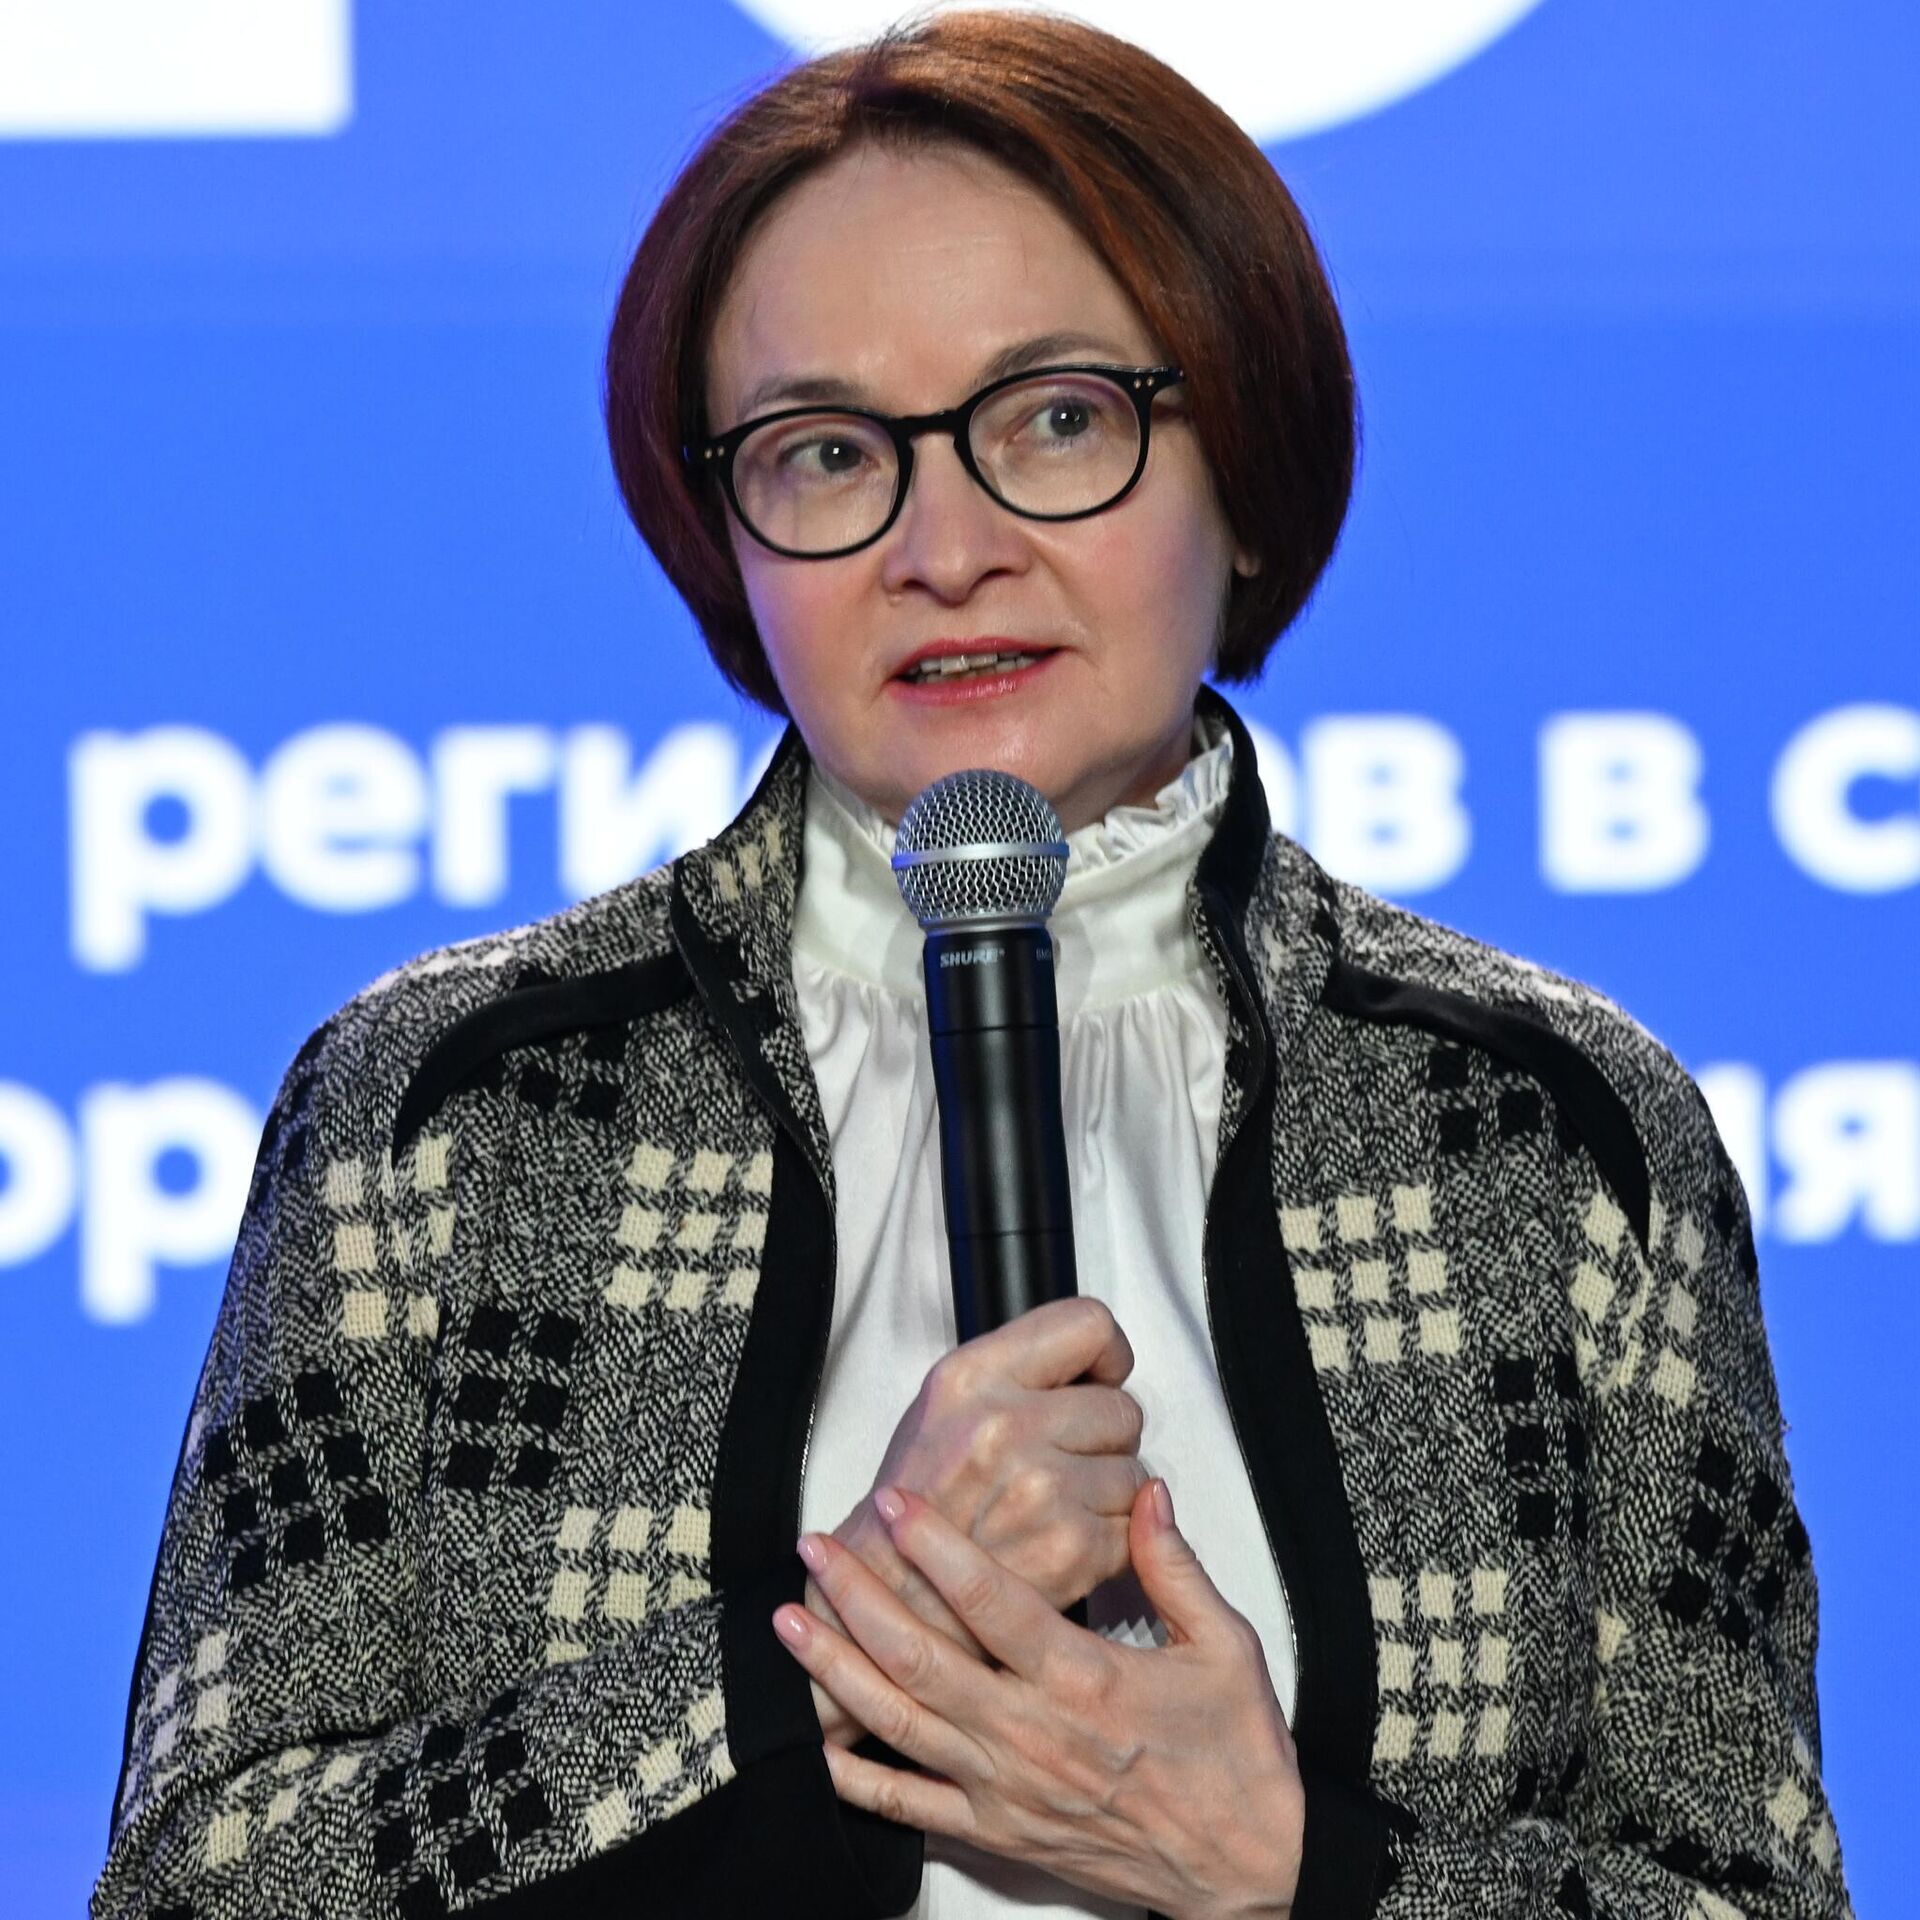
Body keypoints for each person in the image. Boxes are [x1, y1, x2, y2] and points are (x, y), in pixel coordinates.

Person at [95, 12, 1851, 1919]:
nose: (946, 547)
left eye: (1058, 421)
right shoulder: (455, 1110)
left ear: (1245, 470)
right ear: (726, 540)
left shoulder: (1547, 1128)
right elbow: (200, 1891)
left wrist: (1295, 1870)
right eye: (827, 452)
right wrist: (845, 1626)